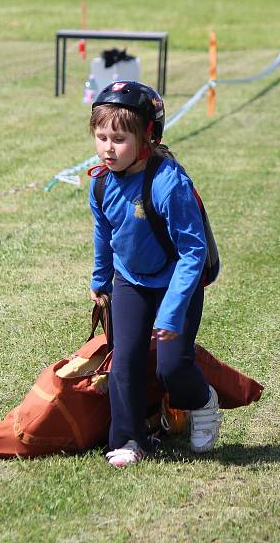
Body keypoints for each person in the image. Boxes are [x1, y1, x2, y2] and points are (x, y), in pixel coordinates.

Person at [88, 80, 223, 467]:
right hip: (130, 280)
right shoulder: (100, 183)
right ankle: (130, 440)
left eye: (118, 139)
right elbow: (105, 233)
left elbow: (193, 251)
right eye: (101, 137)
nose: (107, 148)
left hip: (177, 282)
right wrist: (101, 279)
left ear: (148, 137)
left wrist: (171, 310)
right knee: (125, 362)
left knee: (171, 364)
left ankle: (201, 400)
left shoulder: (169, 183)